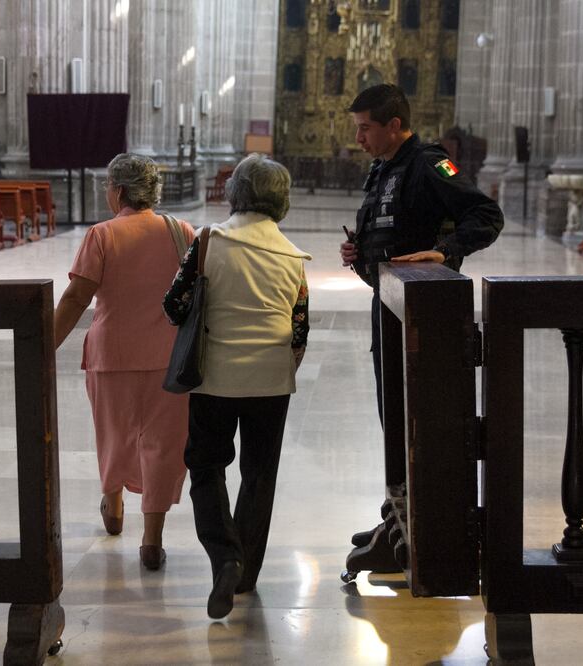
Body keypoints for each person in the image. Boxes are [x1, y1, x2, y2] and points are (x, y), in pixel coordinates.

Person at [338, 84, 503, 559]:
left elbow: (486, 215)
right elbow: (389, 226)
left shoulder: (429, 163)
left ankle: (419, 532)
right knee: (393, 417)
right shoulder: (385, 167)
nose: (359, 138)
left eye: (365, 128)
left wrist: (447, 251)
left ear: (394, 125)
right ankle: (398, 515)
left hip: (419, 317)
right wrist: (360, 249)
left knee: (414, 421)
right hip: (389, 306)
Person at [163, 154, 311, 619]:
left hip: (215, 378)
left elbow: (175, 304)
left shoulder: (209, 242)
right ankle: (246, 574)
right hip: (271, 380)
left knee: (205, 467)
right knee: (259, 474)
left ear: (235, 192)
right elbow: (300, 329)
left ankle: (224, 555)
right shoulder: (293, 256)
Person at [54, 153, 195, 571]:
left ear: (118, 191)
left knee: (114, 434)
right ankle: (152, 540)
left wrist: (45, 342)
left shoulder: (102, 235)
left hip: (111, 355)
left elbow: (77, 296)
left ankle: (113, 506)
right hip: (169, 358)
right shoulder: (180, 232)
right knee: (163, 446)